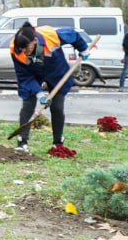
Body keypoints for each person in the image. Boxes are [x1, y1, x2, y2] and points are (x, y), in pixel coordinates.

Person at [9, 22, 89, 154]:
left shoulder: (51, 36)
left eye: (27, 49)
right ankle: (22, 142)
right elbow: (24, 76)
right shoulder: (16, 50)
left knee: (57, 107)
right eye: (22, 49)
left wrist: (83, 48)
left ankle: (57, 142)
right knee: (28, 104)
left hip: (56, 72)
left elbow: (73, 34)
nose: (24, 52)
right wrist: (39, 93)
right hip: (33, 73)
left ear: (35, 40)